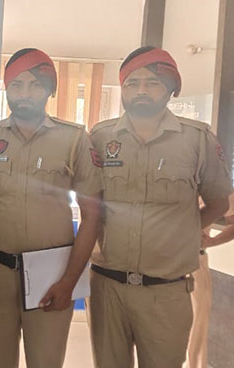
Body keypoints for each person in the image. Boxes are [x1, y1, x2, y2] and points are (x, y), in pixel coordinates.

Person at [89, 46, 232, 368]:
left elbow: (218, 204)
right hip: (107, 286)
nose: (141, 90)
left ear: (170, 88)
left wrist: (181, 232)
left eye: (152, 82)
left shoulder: (197, 139)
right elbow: (91, 206)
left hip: (166, 292)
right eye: (132, 83)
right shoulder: (100, 137)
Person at [0, 48, 103, 368]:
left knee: (46, 361)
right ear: (6, 89)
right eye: (16, 85)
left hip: (51, 274)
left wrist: (69, 281)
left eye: (34, 85)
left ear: (49, 90)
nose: (24, 93)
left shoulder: (74, 139)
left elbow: (92, 215)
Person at [187, 194, 234, 368]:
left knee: (194, 336)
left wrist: (212, 241)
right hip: (154, 267)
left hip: (192, 266)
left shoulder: (215, 186)